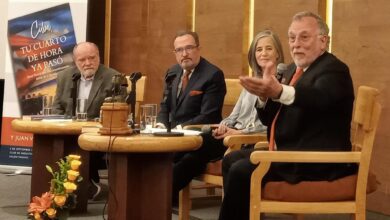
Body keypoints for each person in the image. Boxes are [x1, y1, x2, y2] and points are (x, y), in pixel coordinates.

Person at [218, 11, 357, 220]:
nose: (296, 44)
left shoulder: (335, 70)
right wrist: (264, 97)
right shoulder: (292, 70)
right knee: (232, 160)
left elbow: (318, 97)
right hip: (290, 153)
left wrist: (279, 91)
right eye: (292, 38)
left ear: (323, 41)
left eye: (304, 37)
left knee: (241, 170)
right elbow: (269, 120)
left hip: (316, 161)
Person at [155, 30, 226, 205]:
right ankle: (160, 197)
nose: (184, 54)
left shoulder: (213, 75)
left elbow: (208, 115)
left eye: (189, 48)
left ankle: (158, 199)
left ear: (198, 49)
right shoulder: (172, 72)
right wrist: (160, 125)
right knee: (153, 154)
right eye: (179, 50)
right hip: (176, 136)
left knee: (188, 159)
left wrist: (179, 130)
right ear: (175, 53)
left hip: (205, 137)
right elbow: (165, 105)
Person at [52, 42, 119, 200]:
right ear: (75, 61)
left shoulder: (113, 77)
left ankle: (82, 185)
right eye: (82, 59)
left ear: (99, 57)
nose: (88, 63)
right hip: (68, 132)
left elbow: (116, 111)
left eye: (92, 58)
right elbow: (57, 108)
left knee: (84, 143)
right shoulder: (64, 77)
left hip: (95, 135)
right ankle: (70, 185)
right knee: (54, 142)